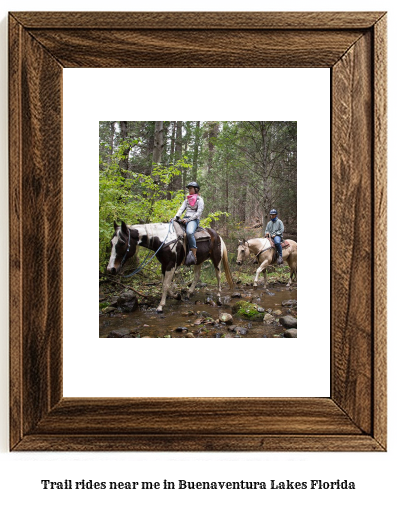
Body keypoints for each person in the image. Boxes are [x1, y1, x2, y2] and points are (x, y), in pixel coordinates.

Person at [174, 182, 204, 264]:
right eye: (189, 188)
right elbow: (181, 209)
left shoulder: (200, 200)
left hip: (194, 220)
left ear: (196, 189)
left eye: (191, 188)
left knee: (189, 232)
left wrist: (189, 219)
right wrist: (175, 217)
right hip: (185, 218)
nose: (189, 190)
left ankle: (194, 254)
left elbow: (199, 213)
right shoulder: (187, 200)